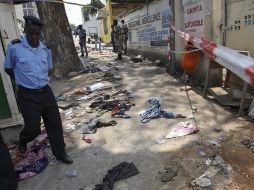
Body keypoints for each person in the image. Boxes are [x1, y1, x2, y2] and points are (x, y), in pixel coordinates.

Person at [4, 16, 73, 165]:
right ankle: (23, 140)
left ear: (40, 33)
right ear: (25, 31)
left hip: (46, 93)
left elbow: (48, 69)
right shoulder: (14, 47)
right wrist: (22, 80)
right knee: (33, 129)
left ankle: (60, 153)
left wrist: (39, 82)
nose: (34, 37)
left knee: (55, 124)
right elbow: (8, 68)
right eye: (30, 33)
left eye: (37, 34)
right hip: (27, 95)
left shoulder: (45, 49)